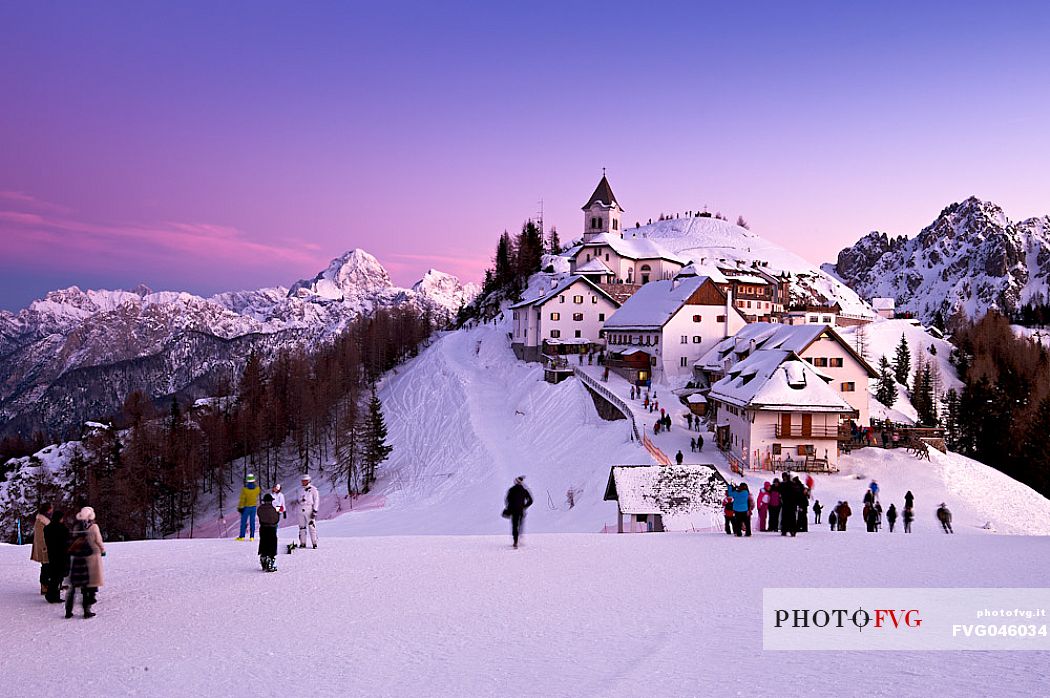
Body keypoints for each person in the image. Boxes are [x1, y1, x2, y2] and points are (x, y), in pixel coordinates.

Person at [66, 507, 104, 619]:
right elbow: (98, 540)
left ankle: (68, 610)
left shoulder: (76, 527)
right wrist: (103, 550)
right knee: (90, 583)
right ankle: (87, 610)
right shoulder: (94, 527)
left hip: (76, 559)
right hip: (91, 555)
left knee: (73, 588)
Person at [43, 510, 70, 604]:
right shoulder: (62, 529)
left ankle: (52, 594)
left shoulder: (47, 528)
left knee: (54, 576)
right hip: (61, 555)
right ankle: (53, 595)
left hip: (52, 554)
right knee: (58, 576)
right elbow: (67, 541)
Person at [504, 476, 533, 548]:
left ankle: (515, 541)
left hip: (513, 511)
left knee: (514, 526)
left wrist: (509, 507)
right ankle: (519, 538)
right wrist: (524, 507)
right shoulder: (524, 490)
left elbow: (507, 500)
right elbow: (531, 500)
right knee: (520, 525)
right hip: (521, 511)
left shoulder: (511, 490)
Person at [31, 503, 52, 596]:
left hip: (47, 547)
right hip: (44, 548)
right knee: (45, 567)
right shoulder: (41, 521)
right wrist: (45, 547)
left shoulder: (45, 520)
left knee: (48, 567)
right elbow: (40, 537)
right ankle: (44, 586)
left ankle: (48, 584)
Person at [257, 494, 280, 572]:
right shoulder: (273, 509)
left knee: (263, 543)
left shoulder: (260, 509)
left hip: (263, 528)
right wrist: (278, 510)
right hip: (271, 529)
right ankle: (271, 561)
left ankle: (263, 558)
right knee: (272, 545)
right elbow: (277, 519)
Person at [298, 474, 320, 549]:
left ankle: (314, 543)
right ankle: (303, 543)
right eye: (302, 481)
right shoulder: (299, 489)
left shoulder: (313, 489)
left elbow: (316, 500)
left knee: (311, 526)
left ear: (309, 481)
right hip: (301, 508)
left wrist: (315, 510)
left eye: (305, 481)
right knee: (302, 527)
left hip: (309, 508)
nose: (303, 482)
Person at [236, 474, 260, 541]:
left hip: (246, 507)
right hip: (254, 507)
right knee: (252, 522)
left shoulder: (244, 489)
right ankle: (252, 537)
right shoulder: (257, 489)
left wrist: (240, 507)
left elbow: (242, 499)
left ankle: (242, 536)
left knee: (243, 522)